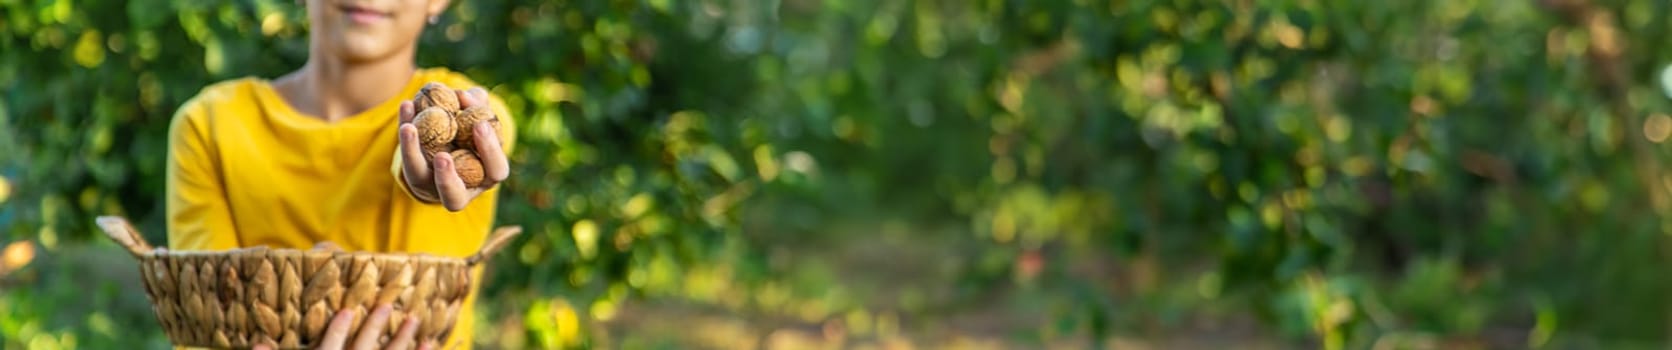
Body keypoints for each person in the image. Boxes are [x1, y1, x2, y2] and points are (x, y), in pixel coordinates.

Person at [167, 0, 516, 348]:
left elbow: (404, 155)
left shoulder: (475, 119)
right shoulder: (211, 125)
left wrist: (424, 180)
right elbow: (207, 316)